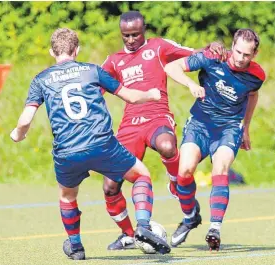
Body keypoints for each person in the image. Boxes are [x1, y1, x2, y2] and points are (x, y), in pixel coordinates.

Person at [10, 28, 171, 260]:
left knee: (67, 196)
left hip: (67, 151)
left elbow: (26, 119)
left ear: (51, 51)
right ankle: (143, 225)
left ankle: (76, 247)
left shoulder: (41, 79)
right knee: (141, 175)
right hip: (102, 144)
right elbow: (132, 97)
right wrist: (153, 95)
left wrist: (18, 134)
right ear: (77, 50)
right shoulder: (92, 70)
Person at [101, 10, 226, 250]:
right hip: (129, 126)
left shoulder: (159, 47)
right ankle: (128, 234)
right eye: (125, 36)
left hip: (158, 117)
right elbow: (96, 90)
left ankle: (174, 183)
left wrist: (213, 47)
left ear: (144, 30)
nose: (130, 40)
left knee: (168, 146)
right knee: (110, 185)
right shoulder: (113, 60)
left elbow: (194, 54)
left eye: (135, 34)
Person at [164, 28, 265, 250]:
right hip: (201, 123)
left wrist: (245, 128)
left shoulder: (257, 76)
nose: (240, 58)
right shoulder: (212, 57)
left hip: (229, 128)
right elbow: (171, 67)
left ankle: (215, 229)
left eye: (246, 55)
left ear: (254, 54)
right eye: (237, 52)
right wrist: (191, 84)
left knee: (220, 169)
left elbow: (252, 95)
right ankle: (190, 217)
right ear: (232, 47)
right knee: (185, 172)